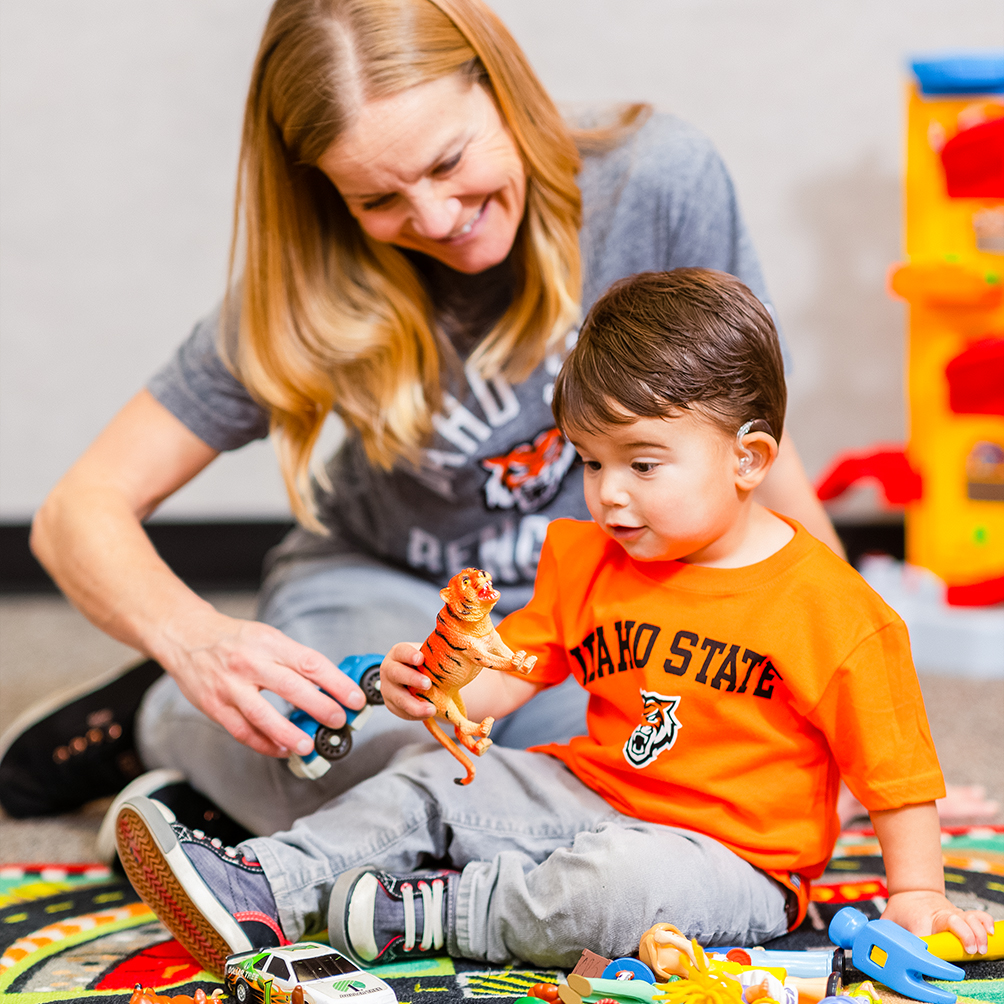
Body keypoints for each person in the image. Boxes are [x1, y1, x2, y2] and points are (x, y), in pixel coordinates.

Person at [1, 0, 841, 833]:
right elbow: (79, 511)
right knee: (418, 761)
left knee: (652, 803)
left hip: (605, 604)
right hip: (387, 591)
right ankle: (160, 717)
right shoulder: (313, 278)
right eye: (379, 199)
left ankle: (232, 806)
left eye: (447, 162)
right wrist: (195, 646)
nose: (436, 221)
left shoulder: (655, 179)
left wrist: (856, 734)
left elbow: (756, 448)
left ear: (501, 87)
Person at [114, 269, 994, 977]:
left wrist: (916, 892)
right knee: (432, 780)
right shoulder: (592, 557)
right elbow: (516, 672)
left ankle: (428, 912)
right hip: (591, 788)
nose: (609, 493)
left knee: (616, 889)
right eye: (591, 461)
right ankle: (265, 881)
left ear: (748, 459)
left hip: (734, 861)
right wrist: (443, 686)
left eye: (643, 464)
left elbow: (898, 774)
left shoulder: (833, 608)